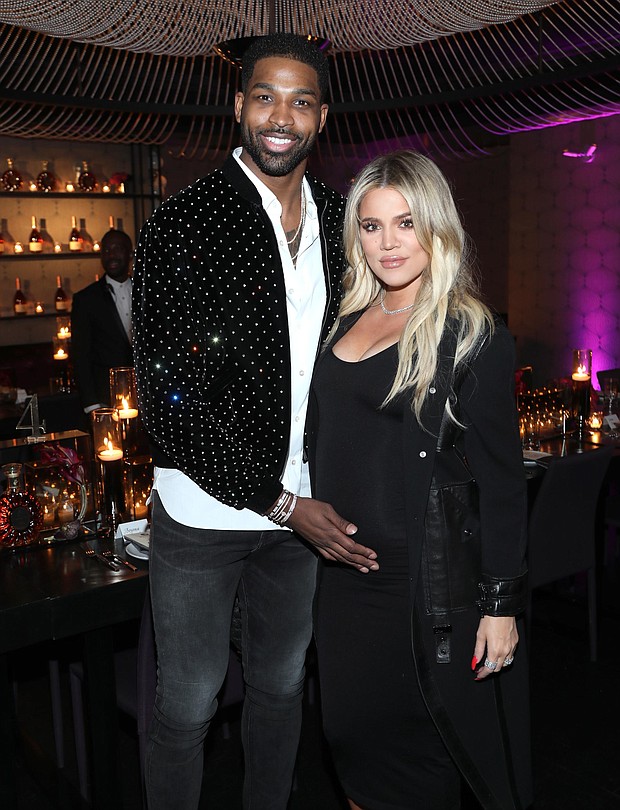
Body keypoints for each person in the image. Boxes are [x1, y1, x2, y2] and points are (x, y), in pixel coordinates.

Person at [131, 33, 378, 810]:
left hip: (307, 511)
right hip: (203, 515)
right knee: (188, 705)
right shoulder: (183, 223)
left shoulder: (342, 222)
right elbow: (169, 405)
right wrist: (281, 504)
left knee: (281, 687)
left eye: (301, 101)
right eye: (265, 96)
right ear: (238, 105)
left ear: (322, 117)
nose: (281, 116)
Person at [309, 150, 532, 810]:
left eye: (406, 223)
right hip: (341, 588)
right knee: (350, 746)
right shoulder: (340, 322)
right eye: (372, 226)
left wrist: (500, 605)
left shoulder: (472, 335)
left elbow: (503, 484)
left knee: (423, 765)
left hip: (423, 593)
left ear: (436, 226)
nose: (389, 243)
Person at [71, 228, 134, 412]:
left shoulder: (146, 292)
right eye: (106, 250)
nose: (111, 255)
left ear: (130, 254)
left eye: (117, 249)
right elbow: (81, 356)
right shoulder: (86, 299)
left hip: (148, 396)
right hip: (106, 400)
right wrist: (92, 406)